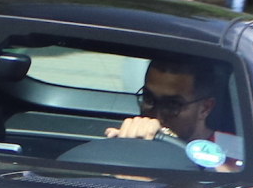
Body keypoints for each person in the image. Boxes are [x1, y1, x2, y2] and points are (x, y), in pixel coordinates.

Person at [101, 55, 239, 170]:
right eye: (149, 99)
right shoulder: (134, 140)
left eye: (173, 105)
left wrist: (170, 141)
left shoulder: (229, 149)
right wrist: (122, 151)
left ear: (205, 108)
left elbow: (232, 187)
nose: (157, 117)